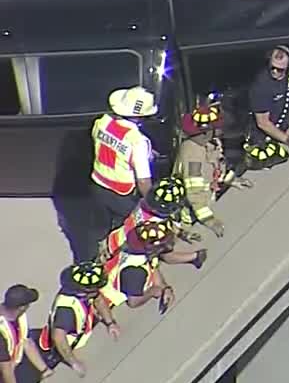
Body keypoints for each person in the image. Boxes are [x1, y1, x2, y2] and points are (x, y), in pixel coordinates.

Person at [88, 86, 159, 254]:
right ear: (141, 116)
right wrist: (152, 205)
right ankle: (117, 259)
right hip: (121, 194)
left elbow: (109, 147)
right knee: (125, 231)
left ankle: (95, 258)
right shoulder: (137, 141)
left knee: (99, 230)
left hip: (97, 183)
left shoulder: (102, 122)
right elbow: (143, 181)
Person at [176, 96, 248, 238]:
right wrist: (210, 221)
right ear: (205, 132)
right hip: (192, 218)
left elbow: (216, 168)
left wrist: (232, 179)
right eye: (217, 127)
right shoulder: (193, 156)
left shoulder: (210, 143)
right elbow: (194, 195)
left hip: (207, 202)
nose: (221, 130)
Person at [99, 178, 207, 270]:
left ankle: (194, 257)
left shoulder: (145, 206)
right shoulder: (153, 221)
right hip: (121, 247)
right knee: (165, 254)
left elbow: (168, 228)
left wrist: (183, 233)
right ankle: (195, 257)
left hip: (121, 244)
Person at [37, 262, 117, 378]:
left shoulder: (83, 292)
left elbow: (98, 299)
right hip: (65, 351)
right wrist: (73, 362)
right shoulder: (67, 309)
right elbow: (59, 337)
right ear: (86, 289)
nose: (98, 291)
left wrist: (110, 323)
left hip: (81, 339)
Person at [243, 46, 289, 170]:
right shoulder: (261, 87)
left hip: (284, 126)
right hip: (263, 141)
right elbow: (263, 123)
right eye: (272, 68)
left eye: (280, 70)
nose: (275, 72)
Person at [100, 221, 178, 316]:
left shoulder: (135, 249)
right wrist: (152, 291)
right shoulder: (135, 270)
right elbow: (133, 302)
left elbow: (153, 268)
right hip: (105, 304)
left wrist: (164, 288)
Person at [1, 285, 52, 383]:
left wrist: (44, 369)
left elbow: (26, 342)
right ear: (22, 307)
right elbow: (6, 369)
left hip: (8, 371)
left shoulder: (19, 317)